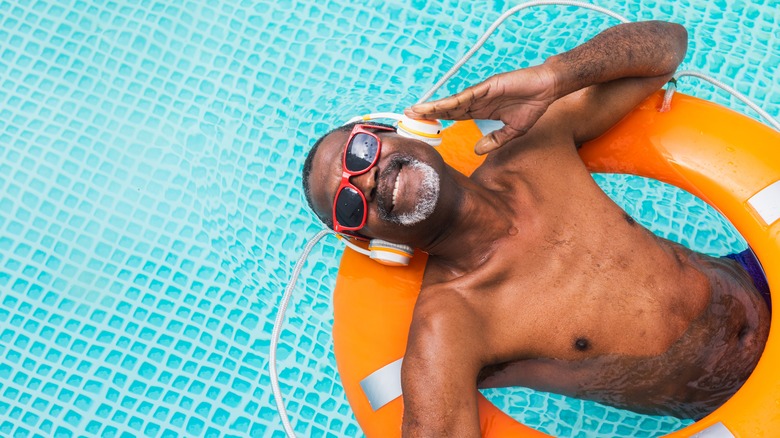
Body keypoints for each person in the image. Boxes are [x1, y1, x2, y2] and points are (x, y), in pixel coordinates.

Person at [301, 21, 771, 436]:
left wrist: (556, 75)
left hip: (759, 276)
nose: (364, 177)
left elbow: (668, 46)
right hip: (746, 408)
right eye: (348, 201)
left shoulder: (535, 146)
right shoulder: (452, 324)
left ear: (401, 132)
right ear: (370, 241)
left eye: (358, 153)